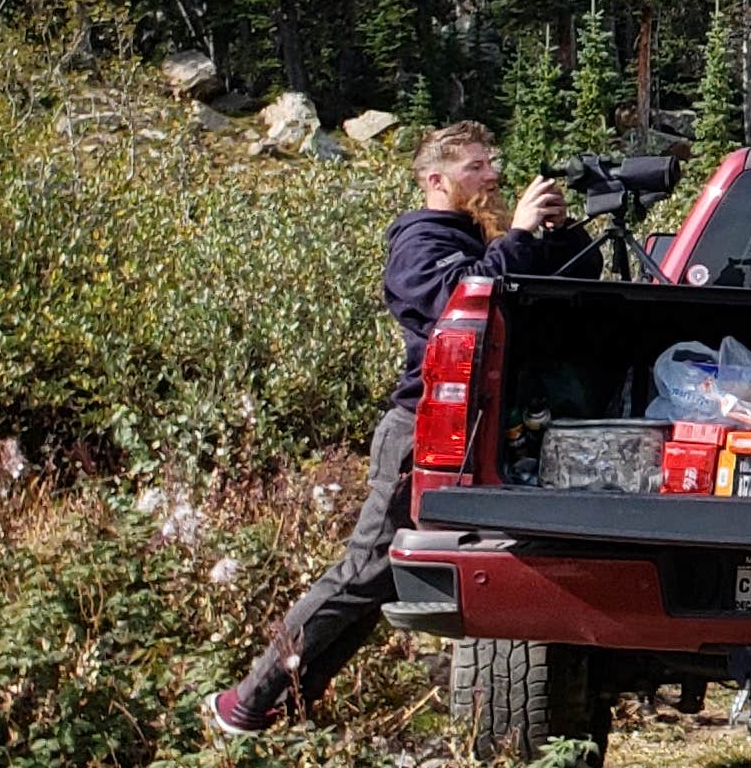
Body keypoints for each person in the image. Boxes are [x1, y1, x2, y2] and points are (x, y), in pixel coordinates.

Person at [209, 121, 598, 733]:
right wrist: (518, 235)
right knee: (365, 569)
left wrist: (558, 231)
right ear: (435, 180)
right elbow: (464, 298)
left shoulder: (480, 235)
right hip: (421, 430)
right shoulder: (418, 240)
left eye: (491, 163)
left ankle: (288, 704)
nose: (492, 175)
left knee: (384, 576)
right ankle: (250, 699)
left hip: (483, 430)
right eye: (476, 167)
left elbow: (577, 277)